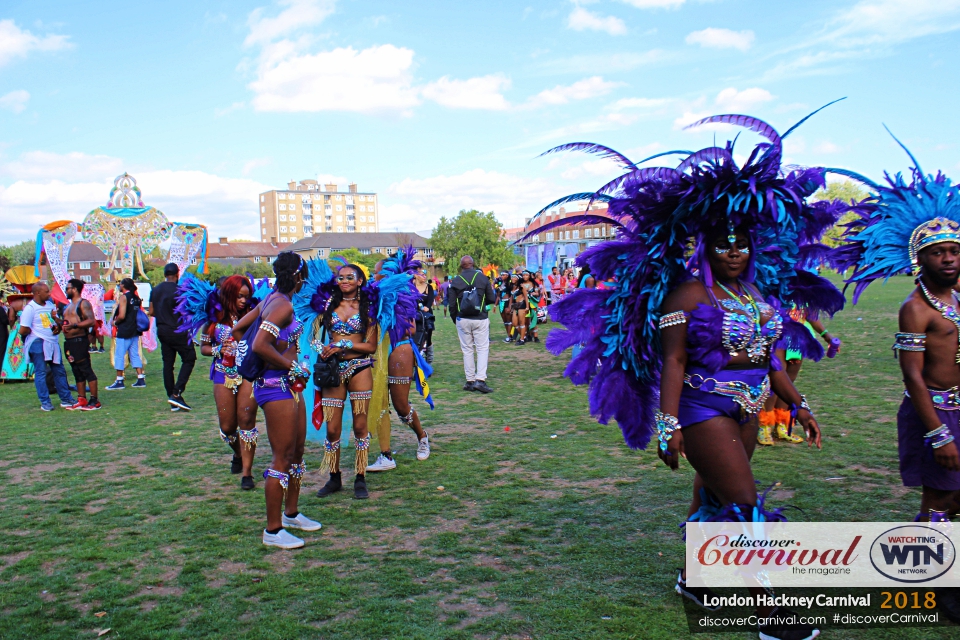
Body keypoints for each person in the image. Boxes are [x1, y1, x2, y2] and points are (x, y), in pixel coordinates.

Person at [535, 111, 855, 640]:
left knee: (711, 493)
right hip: (702, 407)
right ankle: (776, 616)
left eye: (742, 242)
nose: (734, 249)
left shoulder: (754, 295)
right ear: (706, 245)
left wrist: (797, 403)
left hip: (751, 405)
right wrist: (667, 426)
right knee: (746, 504)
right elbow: (674, 361)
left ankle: (695, 577)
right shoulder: (687, 294)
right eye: (724, 242)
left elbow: (769, 356)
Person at [232, 252, 320, 549]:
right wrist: (289, 365)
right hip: (276, 387)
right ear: (297, 276)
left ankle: (292, 513)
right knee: (281, 457)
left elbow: (238, 330)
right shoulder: (280, 305)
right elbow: (258, 343)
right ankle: (273, 530)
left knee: (296, 453)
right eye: (303, 275)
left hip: (288, 387)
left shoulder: (270, 300)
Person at [178, 274, 260, 489]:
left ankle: (247, 474)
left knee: (247, 422)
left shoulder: (254, 314)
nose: (244, 300)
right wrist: (218, 349)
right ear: (229, 294)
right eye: (239, 296)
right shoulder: (213, 317)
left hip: (248, 374)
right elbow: (204, 348)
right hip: (223, 373)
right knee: (228, 427)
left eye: (247, 296)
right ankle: (238, 454)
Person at [314, 264, 379, 499]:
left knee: (361, 427)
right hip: (333, 371)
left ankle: (360, 478)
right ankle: (334, 477)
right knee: (332, 429)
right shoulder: (326, 306)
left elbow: (370, 346)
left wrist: (343, 344)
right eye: (340, 277)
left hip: (360, 367)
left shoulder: (370, 308)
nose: (344, 281)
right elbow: (312, 337)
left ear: (360, 281)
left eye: (350, 277)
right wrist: (321, 348)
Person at [366, 251, 432, 473]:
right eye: (374, 273)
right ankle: (385, 454)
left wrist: (388, 316)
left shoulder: (401, 293)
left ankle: (422, 436)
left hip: (398, 348)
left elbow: (411, 328)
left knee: (400, 405)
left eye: (378, 273)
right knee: (378, 402)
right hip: (374, 351)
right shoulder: (368, 294)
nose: (374, 277)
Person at [758, 311, 841, 446]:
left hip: (797, 336)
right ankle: (765, 426)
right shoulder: (775, 289)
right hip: (777, 333)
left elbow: (810, 314)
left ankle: (782, 426)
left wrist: (826, 335)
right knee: (775, 380)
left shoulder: (806, 292)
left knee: (789, 381)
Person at [20, 282, 75, 411]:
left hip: (52, 342)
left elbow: (54, 322)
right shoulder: (30, 309)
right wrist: (36, 334)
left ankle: (66, 399)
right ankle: (45, 402)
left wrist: (57, 326)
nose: (49, 293)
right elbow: (23, 330)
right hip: (38, 343)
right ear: (38, 293)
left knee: (59, 371)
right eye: (46, 291)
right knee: (41, 373)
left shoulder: (50, 305)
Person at [149, 263, 197, 410]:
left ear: (164, 274)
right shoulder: (180, 290)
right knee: (189, 358)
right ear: (178, 274)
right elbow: (186, 311)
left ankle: (172, 397)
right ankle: (177, 393)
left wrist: (163, 314)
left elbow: (151, 311)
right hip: (178, 330)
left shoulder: (155, 290)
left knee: (168, 364)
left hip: (162, 330)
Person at [450, 255, 496, 393]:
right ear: (473, 264)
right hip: (480, 317)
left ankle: (470, 381)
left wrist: (455, 319)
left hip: (462, 318)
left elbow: (452, 304)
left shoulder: (456, 281)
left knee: (467, 349)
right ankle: (480, 380)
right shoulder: (482, 278)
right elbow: (491, 298)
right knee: (482, 348)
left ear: (461, 265)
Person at [62, 279, 101, 411]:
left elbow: (91, 321)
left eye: (68, 288)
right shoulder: (67, 306)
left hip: (79, 341)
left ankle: (94, 400)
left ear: (74, 289)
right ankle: (81, 398)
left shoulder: (83, 304)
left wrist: (75, 325)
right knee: (77, 372)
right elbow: (65, 323)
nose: (66, 290)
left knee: (86, 370)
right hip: (69, 343)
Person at [106, 278, 146, 390]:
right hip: (135, 329)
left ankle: (119, 380)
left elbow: (122, 315)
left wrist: (115, 322)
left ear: (124, 286)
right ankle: (140, 378)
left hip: (125, 329)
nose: (119, 286)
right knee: (134, 354)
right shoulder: (136, 298)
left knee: (119, 354)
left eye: (120, 284)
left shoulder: (124, 297)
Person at [414, 268, 436, 363]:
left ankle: (429, 359)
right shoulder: (411, 287)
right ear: (416, 276)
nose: (424, 276)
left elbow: (430, 299)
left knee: (427, 337)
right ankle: (415, 359)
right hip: (415, 316)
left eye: (425, 275)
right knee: (415, 337)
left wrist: (427, 306)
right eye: (422, 274)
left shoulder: (428, 287)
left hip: (426, 316)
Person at [509, 273, 528, 345]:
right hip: (515, 306)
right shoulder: (512, 286)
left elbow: (526, 297)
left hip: (522, 305)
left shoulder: (521, 286)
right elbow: (512, 297)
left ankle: (522, 339)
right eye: (512, 277)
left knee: (521, 323)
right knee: (514, 323)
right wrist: (510, 307)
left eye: (514, 277)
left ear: (518, 278)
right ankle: (524, 336)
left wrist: (527, 307)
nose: (513, 279)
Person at [496, 271, 514, 342]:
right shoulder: (500, 283)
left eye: (503, 275)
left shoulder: (510, 284)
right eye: (501, 275)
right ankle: (508, 335)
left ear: (507, 276)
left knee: (509, 320)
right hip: (501, 303)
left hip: (507, 302)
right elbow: (498, 295)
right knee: (505, 321)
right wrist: (495, 305)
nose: (502, 276)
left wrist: (509, 306)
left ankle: (510, 336)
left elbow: (511, 295)